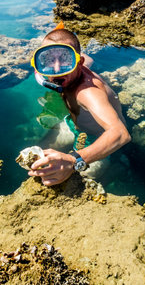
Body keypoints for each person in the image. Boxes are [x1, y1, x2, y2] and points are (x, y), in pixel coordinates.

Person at [28, 27, 131, 186]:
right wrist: (60, 40)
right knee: (37, 154)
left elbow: (120, 133)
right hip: (74, 124)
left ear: (79, 63)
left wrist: (72, 160)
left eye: (64, 60)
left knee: (69, 183)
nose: (56, 70)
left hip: (98, 139)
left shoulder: (87, 92)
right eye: (49, 59)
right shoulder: (81, 64)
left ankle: (120, 168)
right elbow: (87, 58)